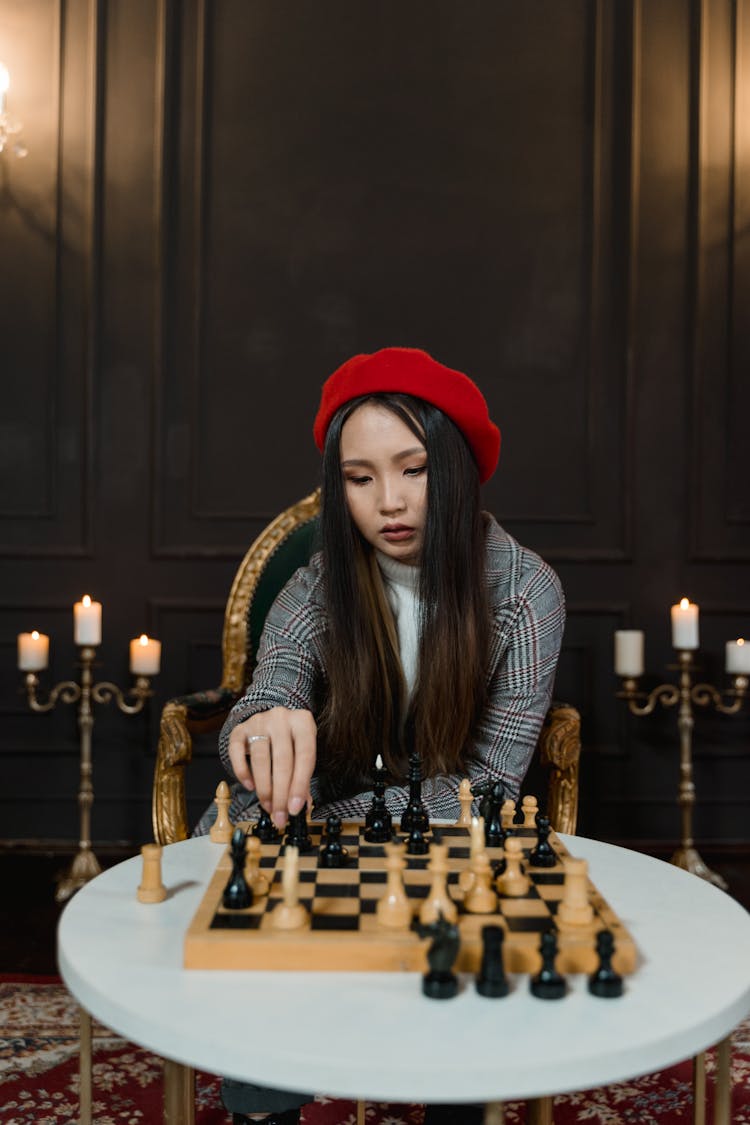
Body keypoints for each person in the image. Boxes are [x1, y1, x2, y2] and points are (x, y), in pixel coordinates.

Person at [201, 346, 566, 1125]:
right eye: (360, 479)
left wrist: (332, 823)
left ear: (459, 469)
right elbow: (273, 680)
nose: (389, 502)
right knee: (253, 926)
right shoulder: (316, 580)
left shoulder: (528, 591)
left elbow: (490, 783)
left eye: (414, 469)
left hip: (451, 841)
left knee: (465, 999)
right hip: (317, 828)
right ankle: (263, 1102)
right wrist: (262, 722)